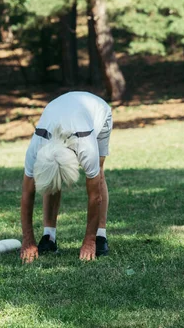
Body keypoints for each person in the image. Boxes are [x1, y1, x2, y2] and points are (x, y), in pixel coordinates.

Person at [20, 91, 113, 263]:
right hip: (61, 111)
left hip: (98, 110)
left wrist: (89, 240)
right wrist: (28, 240)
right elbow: (27, 194)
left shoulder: (87, 148)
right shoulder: (36, 147)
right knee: (51, 180)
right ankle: (49, 236)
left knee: (98, 173)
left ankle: (100, 235)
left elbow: (95, 197)